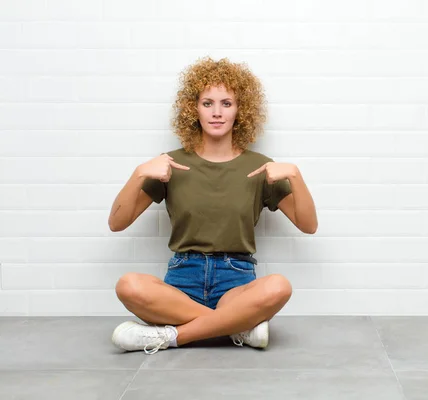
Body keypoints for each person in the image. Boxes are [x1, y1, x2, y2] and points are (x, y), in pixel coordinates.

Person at [107, 57, 318, 355]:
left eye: (226, 103)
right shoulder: (169, 164)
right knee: (128, 285)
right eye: (207, 103)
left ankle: (169, 336)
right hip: (182, 281)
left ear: (239, 110)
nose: (217, 113)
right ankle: (237, 327)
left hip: (236, 281)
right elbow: (117, 223)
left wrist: (295, 176)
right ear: (193, 108)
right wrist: (139, 173)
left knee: (279, 286)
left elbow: (308, 226)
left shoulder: (260, 168)